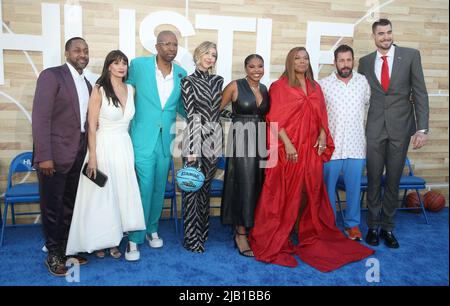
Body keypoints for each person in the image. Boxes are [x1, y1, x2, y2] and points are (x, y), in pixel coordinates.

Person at [248, 47, 374, 272]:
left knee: (311, 191)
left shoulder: (316, 87)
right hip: (289, 148)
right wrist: (287, 144)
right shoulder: (280, 86)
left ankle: (303, 228)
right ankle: (282, 231)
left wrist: (324, 134)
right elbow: (274, 117)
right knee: (284, 192)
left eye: (305, 58)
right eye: (297, 58)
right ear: (290, 61)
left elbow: (321, 115)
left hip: (311, 148)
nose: (302, 61)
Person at [65, 50, 146, 259]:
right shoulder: (99, 89)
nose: (121, 66)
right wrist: (93, 157)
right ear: (109, 66)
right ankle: (98, 241)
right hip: (102, 146)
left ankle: (114, 239)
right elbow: (91, 126)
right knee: (100, 196)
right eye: (116, 62)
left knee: (120, 195)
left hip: (123, 146)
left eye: (124, 63)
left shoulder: (131, 89)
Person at [358, 19, 429, 249]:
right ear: (374, 36)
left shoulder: (410, 56)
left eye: (389, 32)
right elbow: (359, 96)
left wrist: (422, 128)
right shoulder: (365, 62)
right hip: (375, 128)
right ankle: (372, 226)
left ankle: (388, 227)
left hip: (401, 128)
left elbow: (420, 93)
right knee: (374, 179)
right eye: (381, 33)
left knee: (394, 180)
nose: (386, 37)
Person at [125, 31, 187, 261]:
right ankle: (134, 237)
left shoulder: (181, 74)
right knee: (143, 186)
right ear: (157, 46)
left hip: (165, 141)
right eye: (167, 44)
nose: (172, 48)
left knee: (159, 187)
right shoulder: (138, 66)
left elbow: (182, 106)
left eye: (175, 45)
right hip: (142, 138)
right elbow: (124, 92)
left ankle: (151, 228)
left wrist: (205, 115)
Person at [32, 37, 91, 276]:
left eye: (86, 51)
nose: (82, 54)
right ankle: (53, 253)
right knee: (52, 207)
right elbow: (40, 118)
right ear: (66, 53)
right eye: (77, 50)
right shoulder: (52, 76)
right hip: (54, 157)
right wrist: (44, 156)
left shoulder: (86, 83)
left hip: (78, 155)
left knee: (69, 205)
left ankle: (66, 248)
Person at [220, 54, 270, 257]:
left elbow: (267, 115)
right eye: (252, 66)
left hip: (260, 139)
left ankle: (250, 227)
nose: (256, 70)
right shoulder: (235, 86)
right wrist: (235, 119)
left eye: (260, 66)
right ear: (245, 68)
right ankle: (240, 233)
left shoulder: (265, 89)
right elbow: (216, 109)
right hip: (241, 137)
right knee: (243, 183)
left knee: (257, 183)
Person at [319, 45, 371, 241]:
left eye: (349, 60)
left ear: (353, 61)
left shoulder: (363, 82)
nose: (345, 64)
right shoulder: (324, 85)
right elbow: (319, 115)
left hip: (356, 145)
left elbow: (368, 106)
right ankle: (329, 225)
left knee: (353, 188)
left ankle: (353, 225)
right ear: (335, 62)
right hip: (331, 147)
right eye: (341, 60)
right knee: (327, 189)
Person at [181, 41, 223, 253]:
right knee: (192, 190)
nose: (210, 58)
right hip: (195, 140)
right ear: (198, 55)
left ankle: (202, 233)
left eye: (213, 55)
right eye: (207, 53)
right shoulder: (187, 82)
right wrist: (192, 149)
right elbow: (192, 116)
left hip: (215, 140)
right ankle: (191, 238)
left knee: (205, 189)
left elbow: (218, 111)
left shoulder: (218, 81)